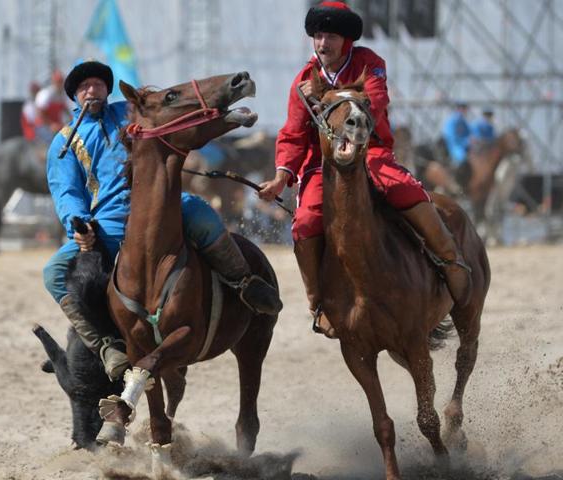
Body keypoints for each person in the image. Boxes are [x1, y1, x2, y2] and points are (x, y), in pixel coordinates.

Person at [43, 60, 281, 380]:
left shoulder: (131, 112)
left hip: (167, 202)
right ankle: (104, 345)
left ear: (107, 89)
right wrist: (77, 222)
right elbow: (67, 191)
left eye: (98, 84)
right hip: (109, 221)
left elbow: (177, 115)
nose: (92, 90)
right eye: (84, 86)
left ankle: (245, 284)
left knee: (201, 212)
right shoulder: (64, 141)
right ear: (74, 95)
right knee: (54, 272)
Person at [259, 1, 471, 338]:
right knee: (305, 223)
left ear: (347, 40)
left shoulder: (370, 64)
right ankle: (318, 301)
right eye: (317, 35)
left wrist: (325, 95)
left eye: (329, 35)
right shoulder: (302, 80)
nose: (321, 43)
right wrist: (281, 177)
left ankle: (449, 259)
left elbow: (373, 103)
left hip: (370, 152)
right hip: (322, 164)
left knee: (407, 191)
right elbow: (294, 134)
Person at [35, 70, 71, 144]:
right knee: (52, 142)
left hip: (56, 125)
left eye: (61, 81)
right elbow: (40, 113)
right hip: (43, 126)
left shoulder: (61, 95)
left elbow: (66, 110)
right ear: (53, 82)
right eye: (58, 82)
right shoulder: (46, 94)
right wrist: (51, 124)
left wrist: (73, 120)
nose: (60, 84)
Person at [442, 102, 472, 188]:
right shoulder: (453, 121)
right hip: (455, 146)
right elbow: (452, 137)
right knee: (462, 157)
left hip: (465, 145)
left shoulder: (464, 121)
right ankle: (457, 180)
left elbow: (469, 133)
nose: (465, 111)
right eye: (464, 109)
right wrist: (466, 141)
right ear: (459, 109)